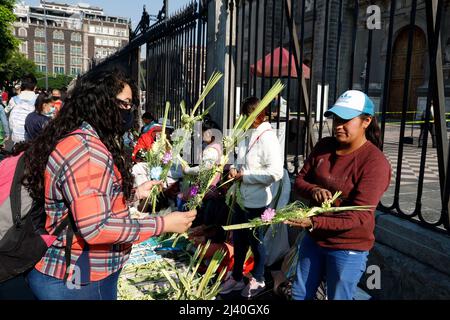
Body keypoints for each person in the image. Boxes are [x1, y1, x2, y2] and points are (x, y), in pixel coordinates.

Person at [21, 70, 196, 300]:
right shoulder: (87, 152)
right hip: (79, 276)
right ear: (101, 102)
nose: (129, 112)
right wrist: (163, 224)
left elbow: (88, 199)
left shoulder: (82, 139)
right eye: (125, 104)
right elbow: (96, 228)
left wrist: (133, 194)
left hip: (78, 272)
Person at [287, 90, 391, 300]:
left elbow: (359, 215)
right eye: (336, 119)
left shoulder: (375, 163)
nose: (338, 126)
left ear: (366, 121)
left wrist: (313, 222)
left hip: (347, 246)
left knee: (338, 296)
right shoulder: (324, 146)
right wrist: (314, 190)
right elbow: (300, 181)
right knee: (299, 294)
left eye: (346, 120)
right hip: (314, 240)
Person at [220, 96, 283, 298]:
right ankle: (237, 276)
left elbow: (275, 173)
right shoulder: (248, 133)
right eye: (244, 114)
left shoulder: (267, 137)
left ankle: (259, 278)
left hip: (258, 201)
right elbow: (244, 162)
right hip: (242, 198)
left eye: (248, 115)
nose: (244, 118)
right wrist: (234, 169)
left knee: (257, 243)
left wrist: (245, 176)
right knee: (239, 240)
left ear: (258, 115)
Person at [8, 74, 38, 144]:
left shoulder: (13, 99)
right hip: (33, 140)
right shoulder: (38, 100)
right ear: (35, 87)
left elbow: (8, 113)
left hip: (16, 138)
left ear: (22, 86)